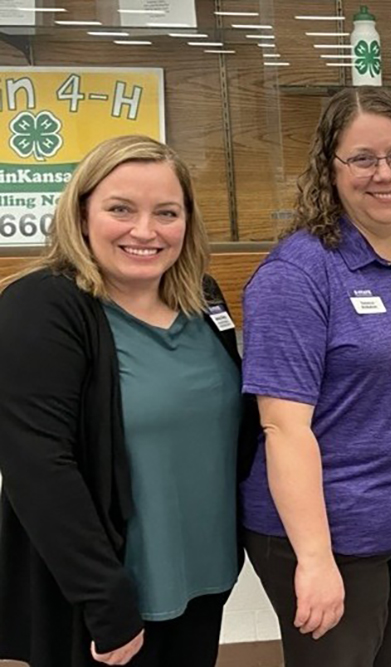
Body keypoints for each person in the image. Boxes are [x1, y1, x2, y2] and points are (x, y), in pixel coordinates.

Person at [240, 87, 391, 667]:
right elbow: (282, 429)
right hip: (330, 534)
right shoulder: (296, 275)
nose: (384, 174)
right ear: (330, 168)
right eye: (363, 159)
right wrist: (315, 559)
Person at [0, 135, 257, 667]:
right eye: (121, 209)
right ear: (82, 211)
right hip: (109, 597)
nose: (146, 231)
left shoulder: (202, 297)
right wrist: (103, 598)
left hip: (203, 576)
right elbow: (37, 466)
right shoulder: (42, 307)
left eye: (167, 212)